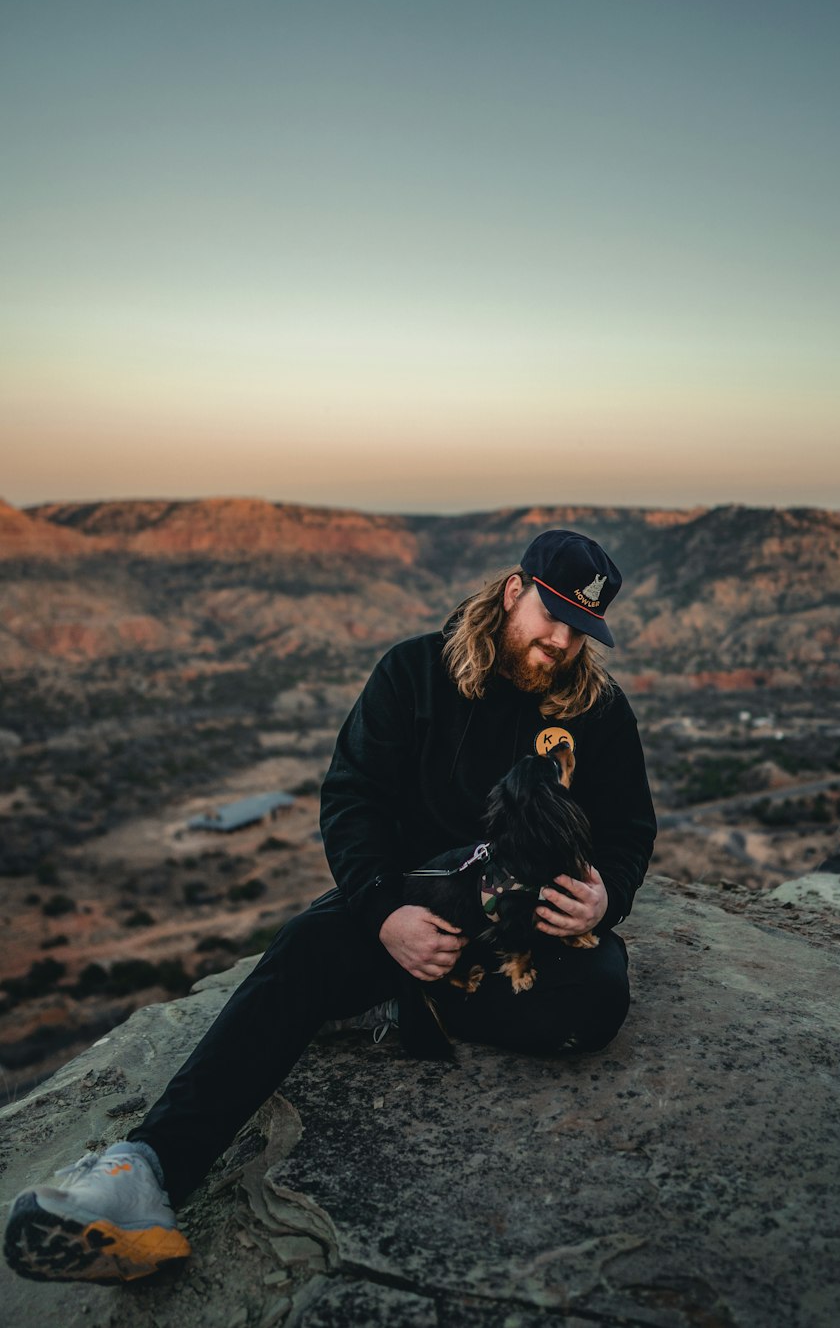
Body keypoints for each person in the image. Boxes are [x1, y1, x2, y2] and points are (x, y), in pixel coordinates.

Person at [4, 529, 656, 1285]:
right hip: (408, 907)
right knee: (305, 951)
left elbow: (630, 832)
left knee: (600, 997)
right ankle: (142, 1178)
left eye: (582, 630)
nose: (564, 641)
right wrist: (385, 914)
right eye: (554, 616)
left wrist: (606, 895)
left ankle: (398, 1007)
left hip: (520, 928)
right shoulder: (414, 671)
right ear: (515, 590)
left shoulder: (598, 710)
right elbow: (352, 801)